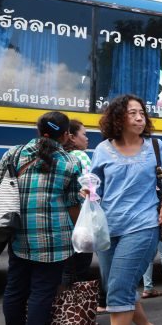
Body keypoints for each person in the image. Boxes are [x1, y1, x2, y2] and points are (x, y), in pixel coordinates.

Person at [84, 95, 162, 325]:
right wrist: (87, 190)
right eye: (132, 113)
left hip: (143, 226)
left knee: (119, 289)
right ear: (118, 118)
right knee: (118, 287)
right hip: (109, 228)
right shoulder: (102, 149)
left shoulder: (156, 147)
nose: (139, 118)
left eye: (142, 113)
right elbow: (92, 182)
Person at [0, 111, 81, 325]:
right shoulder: (69, 162)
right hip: (54, 239)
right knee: (42, 292)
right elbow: (73, 203)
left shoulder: (13, 153)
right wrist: (83, 232)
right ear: (65, 135)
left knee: (15, 288)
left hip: (19, 234)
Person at [61, 119, 96, 288]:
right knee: (80, 268)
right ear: (73, 138)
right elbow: (91, 187)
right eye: (84, 134)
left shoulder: (60, 156)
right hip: (80, 219)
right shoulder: (81, 156)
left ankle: (60, 307)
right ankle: (76, 310)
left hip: (63, 221)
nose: (87, 139)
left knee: (66, 268)